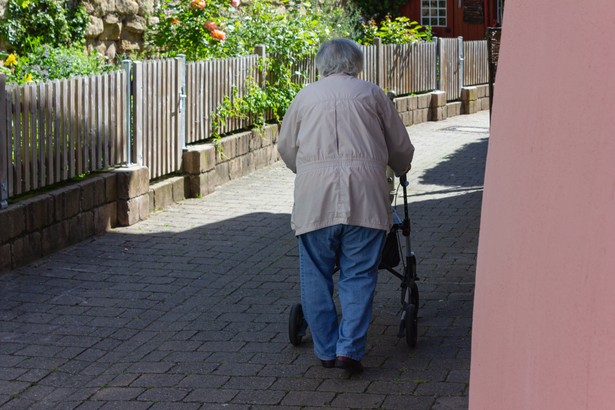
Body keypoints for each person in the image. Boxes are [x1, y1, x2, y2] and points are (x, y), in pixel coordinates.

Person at [278, 38, 415, 374]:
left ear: (320, 66)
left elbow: (286, 148)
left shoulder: (304, 97)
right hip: (365, 199)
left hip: (315, 201)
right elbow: (399, 147)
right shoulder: (372, 94)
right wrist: (401, 169)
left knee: (315, 276)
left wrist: (307, 169)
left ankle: (325, 349)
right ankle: (349, 350)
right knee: (358, 276)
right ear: (357, 64)